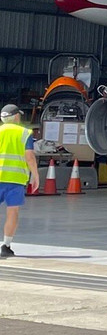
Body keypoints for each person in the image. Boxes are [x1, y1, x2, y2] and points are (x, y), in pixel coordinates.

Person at [0, 104, 38, 258]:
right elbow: (29, 156)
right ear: (16, 116)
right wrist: (35, 176)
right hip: (15, 180)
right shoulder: (25, 133)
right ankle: (6, 245)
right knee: (12, 212)